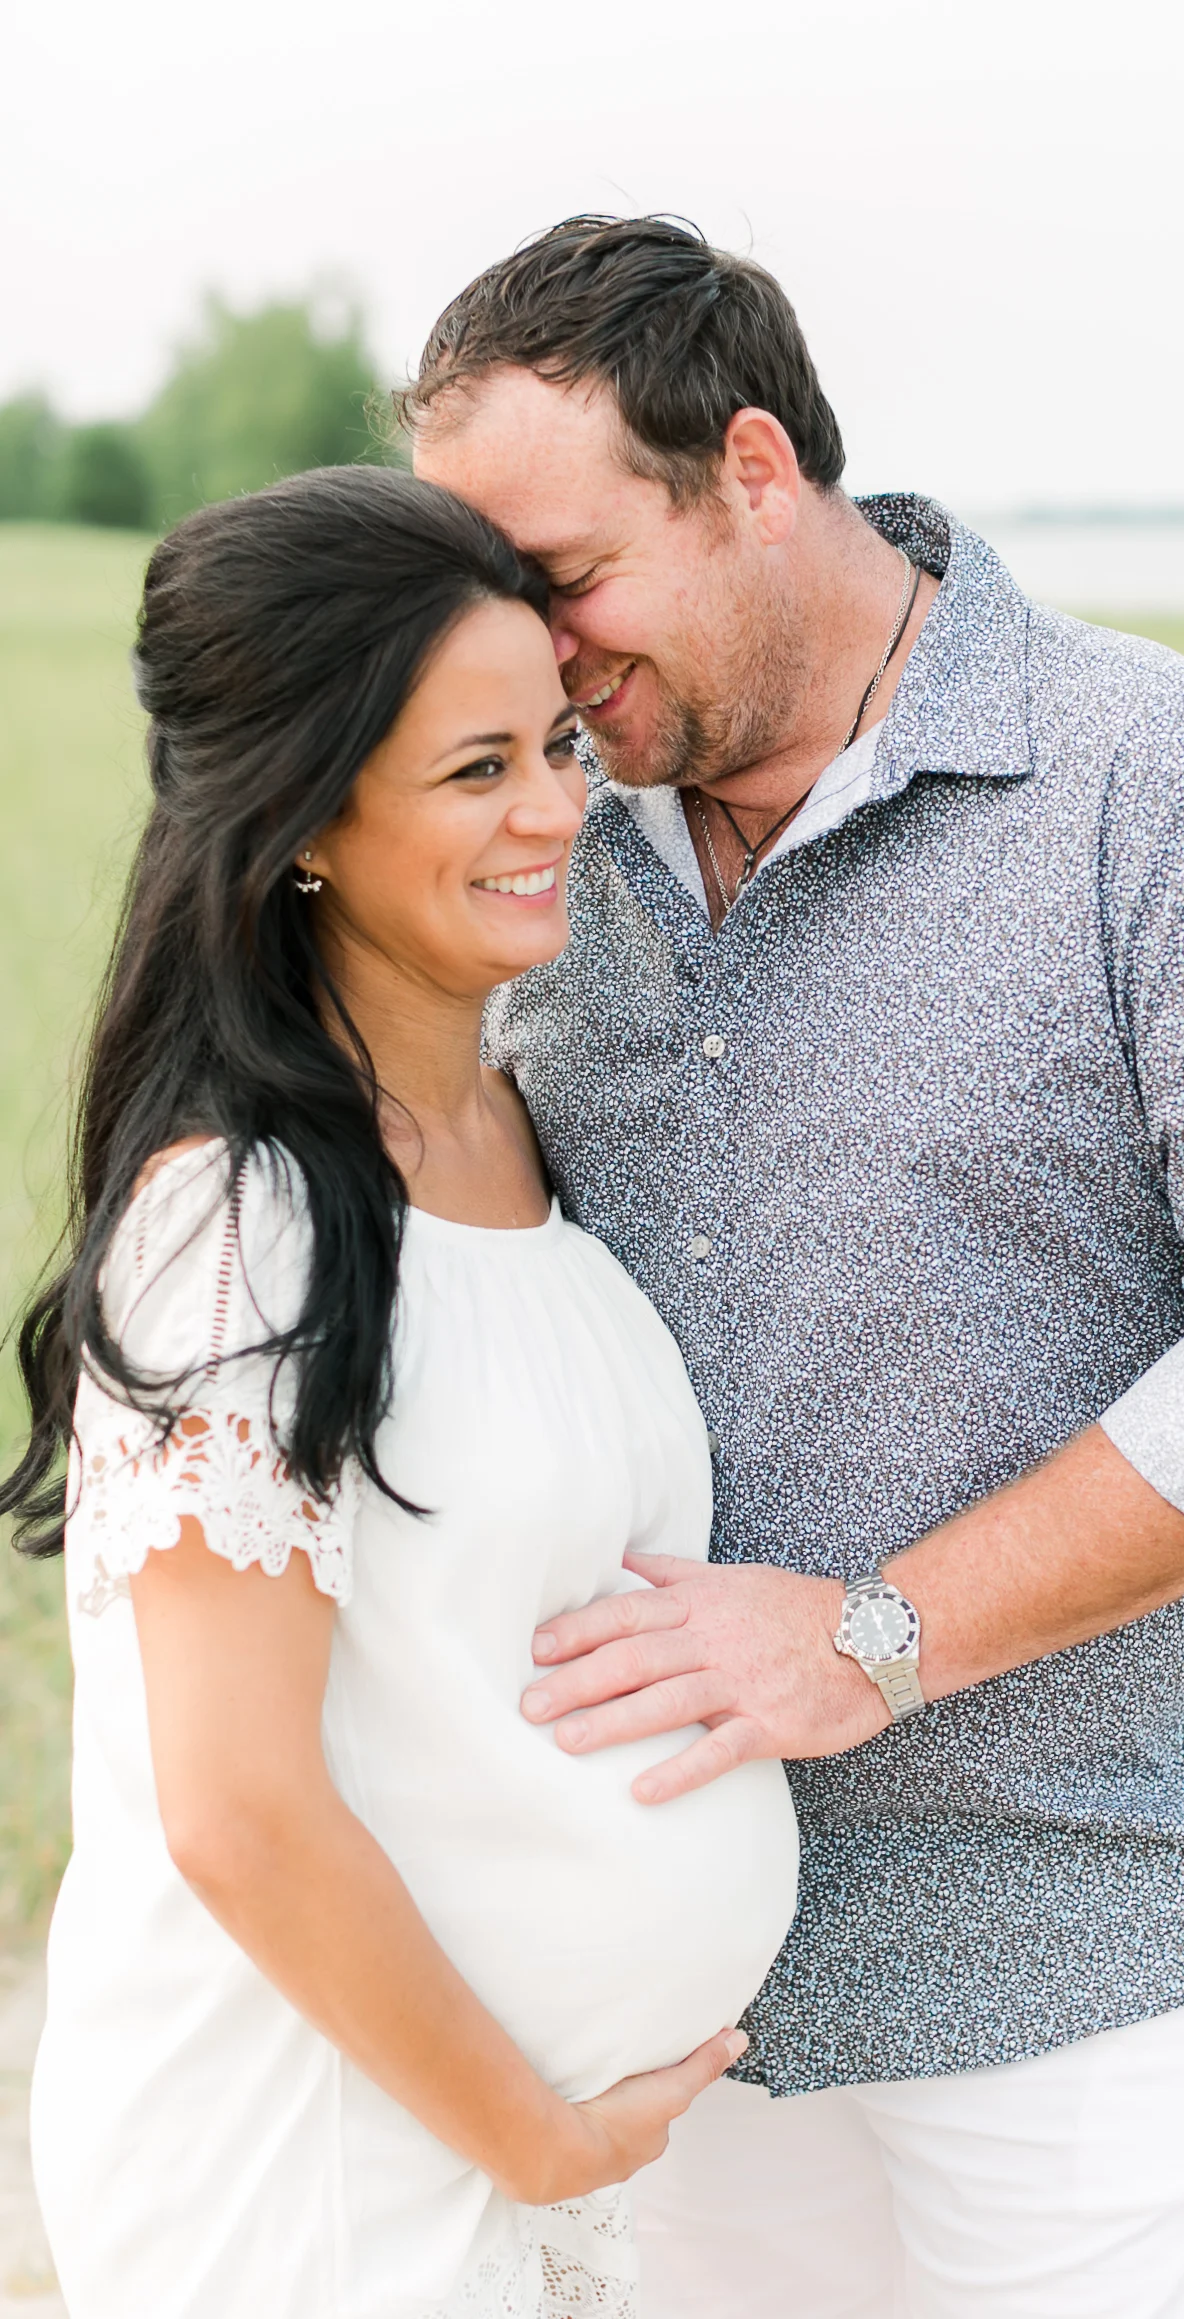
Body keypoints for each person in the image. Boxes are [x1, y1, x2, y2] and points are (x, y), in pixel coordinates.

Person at [401, 216, 1184, 2318]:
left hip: (1091, 1961)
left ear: (750, 470)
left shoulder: (1169, 792)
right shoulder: (545, 831)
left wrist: (875, 1635)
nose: (531, 655)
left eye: (564, 577)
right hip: (674, 1970)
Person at [2, 465, 798, 2319]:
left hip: (511, 2160)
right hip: (326, 2169)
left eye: (553, 744)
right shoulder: (240, 1225)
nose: (552, 812)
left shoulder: (511, 1121)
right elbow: (238, 1811)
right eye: (473, 771)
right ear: (301, 820)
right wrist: (531, 2133)